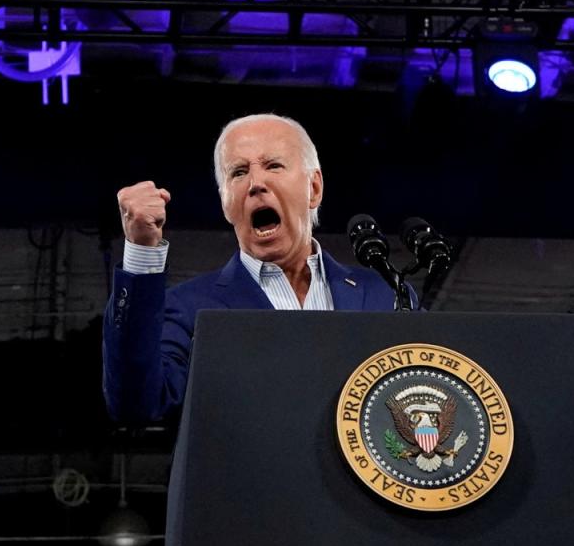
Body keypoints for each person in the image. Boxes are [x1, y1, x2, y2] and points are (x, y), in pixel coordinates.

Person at [103, 113, 412, 423]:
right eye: (238, 172)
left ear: (314, 188)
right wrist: (141, 252)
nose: (255, 183)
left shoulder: (385, 296)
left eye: (273, 165)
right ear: (225, 203)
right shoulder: (188, 308)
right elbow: (136, 404)